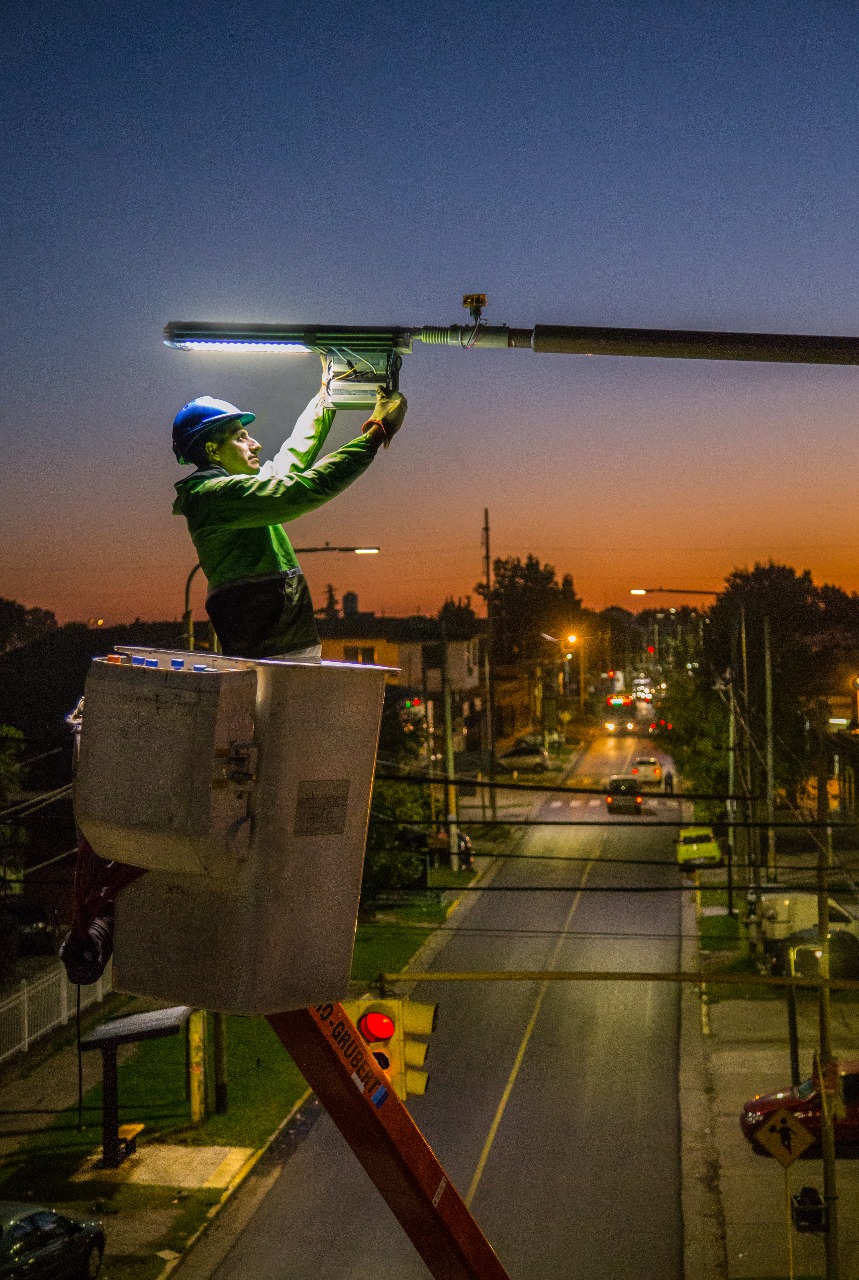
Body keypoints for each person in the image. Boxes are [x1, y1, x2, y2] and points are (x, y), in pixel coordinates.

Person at [171, 368, 406, 660]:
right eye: (241, 437)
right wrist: (376, 434)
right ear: (212, 450)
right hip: (271, 658)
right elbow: (304, 488)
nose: (256, 444)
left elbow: (291, 460)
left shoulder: (231, 494)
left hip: (282, 653)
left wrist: (325, 398)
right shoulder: (215, 498)